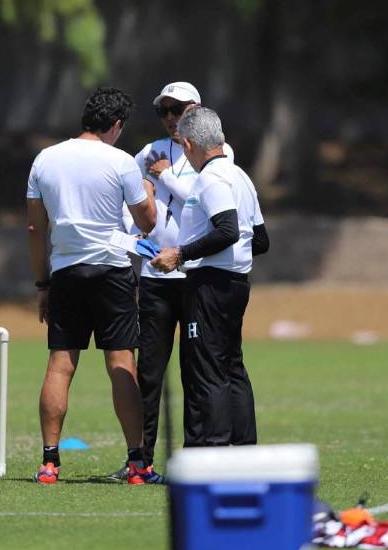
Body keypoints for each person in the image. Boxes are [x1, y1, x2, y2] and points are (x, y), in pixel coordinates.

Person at [26, 86, 163, 485]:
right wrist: (150, 191)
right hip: (111, 271)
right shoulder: (120, 162)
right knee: (121, 362)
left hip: (67, 271)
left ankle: (49, 462)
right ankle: (138, 462)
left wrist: (42, 283)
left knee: (60, 363)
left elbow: (36, 228)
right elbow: (147, 223)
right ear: (116, 125)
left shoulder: (45, 159)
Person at [107, 81, 237, 480]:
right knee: (149, 371)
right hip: (155, 276)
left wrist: (162, 178)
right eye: (163, 110)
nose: (169, 118)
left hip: (195, 273)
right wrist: (132, 238)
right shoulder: (148, 152)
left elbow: (199, 197)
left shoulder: (219, 152)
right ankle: (139, 460)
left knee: (195, 368)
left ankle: (193, 458)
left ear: (195, 109)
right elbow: (130, 201)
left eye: (176, 109)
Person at [151, 106, 268, 447]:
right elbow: (259, 240)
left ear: (187, 145)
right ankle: (244, 450)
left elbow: (228, 229)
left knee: (209, 370)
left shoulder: (211, 178)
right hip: (235, 283)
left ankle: (215, 452)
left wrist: (181, 254)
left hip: (210, 285)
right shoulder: (241, 176)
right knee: (232, 367)